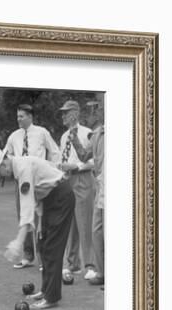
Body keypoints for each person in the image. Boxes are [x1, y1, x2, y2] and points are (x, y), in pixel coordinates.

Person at [0, 152, 75, 309]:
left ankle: (51, 298)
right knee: (43, 244)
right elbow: (38, 194)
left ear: (4, 164)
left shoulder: (22, 168)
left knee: (53, 248)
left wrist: (18, 242)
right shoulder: (21, 166)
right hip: (50, 199)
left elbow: (26, 207)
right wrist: (40, 224)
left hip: (60, 198)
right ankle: (45, 290)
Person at [3, 104, 61, 269]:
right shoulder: (14, 136)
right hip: (21, 180)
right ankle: (28, 256)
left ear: (30, 116)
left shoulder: (42, 132)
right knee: (24, 215)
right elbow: (5, 155)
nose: (18, 119)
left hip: (40, 182)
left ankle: (43, 258)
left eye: (21, 116)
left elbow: (55, 152)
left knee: (41, 219)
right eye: (17, 116)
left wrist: (52, 168)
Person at [58, 100, 97, 281]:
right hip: (67, 181)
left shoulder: (87, 133)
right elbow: (62, 158)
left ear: (75, 113)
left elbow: (93, 161)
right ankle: (72, 263)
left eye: (66, 112)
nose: (63, 116)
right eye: (63, 113)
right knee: (70, 224)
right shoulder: (64, 136)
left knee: (84, 222)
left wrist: (75, 166)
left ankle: (90, 265)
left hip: (82, 179)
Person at [75, 100, 105, 287]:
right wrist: (74, 139)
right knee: (97, 232)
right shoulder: (95, 134)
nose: (90, 113)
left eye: (94, 109)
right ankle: (102, 273)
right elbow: (84, 156)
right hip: (102, 188)